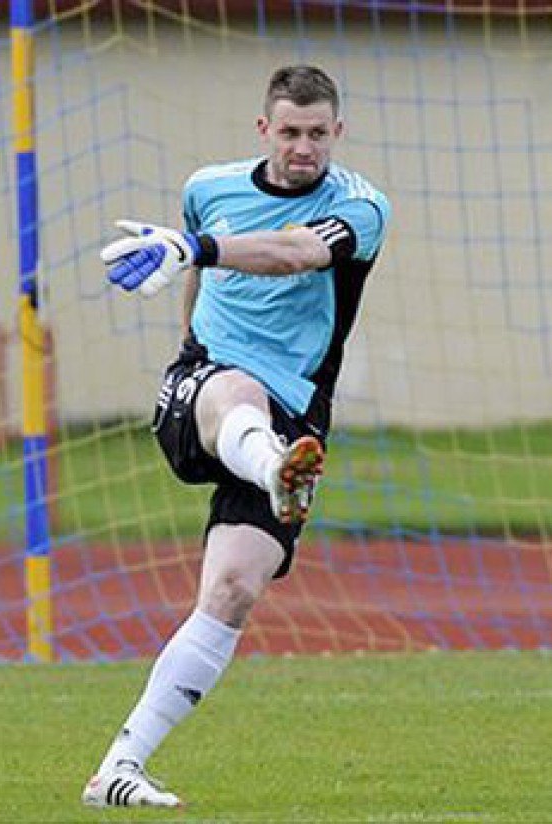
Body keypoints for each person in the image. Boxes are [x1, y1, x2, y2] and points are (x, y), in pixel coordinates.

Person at [81, 65, 391, 809]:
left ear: (338, 132)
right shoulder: (209, 186)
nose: (303, 147)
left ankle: (118, 768)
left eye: (317, 133)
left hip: (296, 415)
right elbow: (196, 279)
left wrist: (194, 249)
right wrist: (188, 340)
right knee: (237, 390)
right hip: (206, 389)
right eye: (289, 132)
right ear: (264, 130)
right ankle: (276, 467)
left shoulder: (361, 207)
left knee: (232, 591)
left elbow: (297, 253)